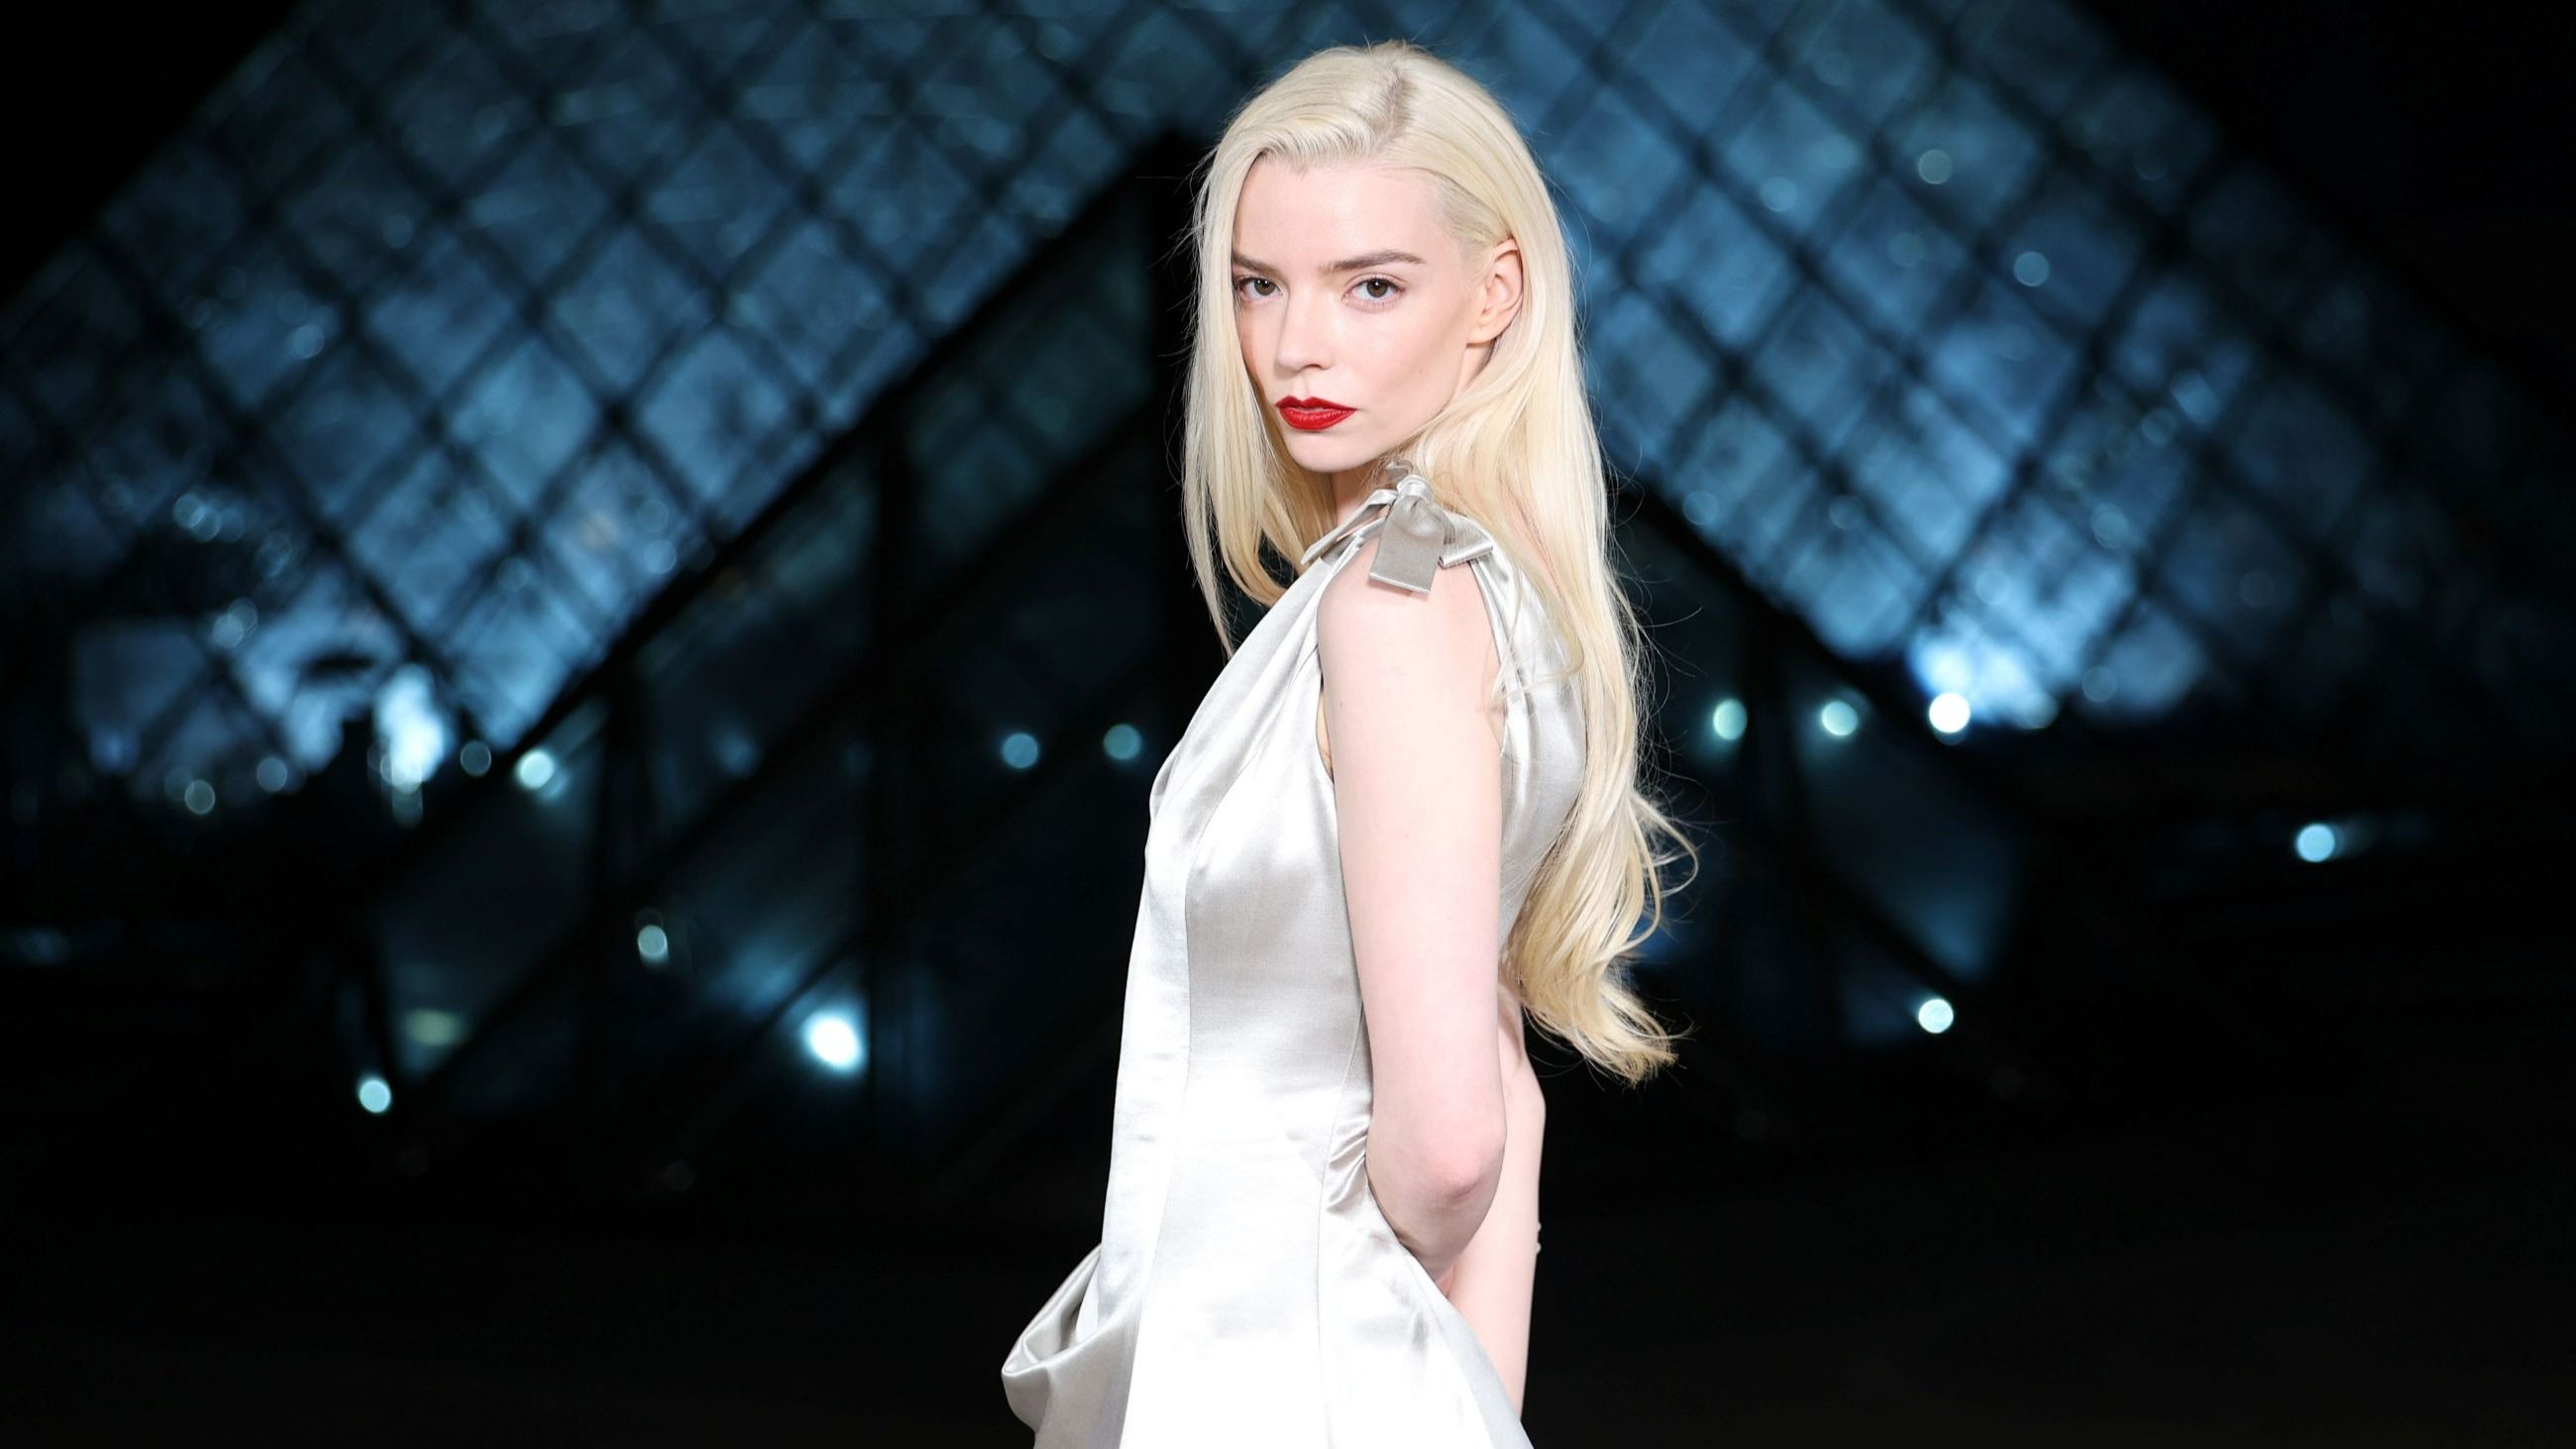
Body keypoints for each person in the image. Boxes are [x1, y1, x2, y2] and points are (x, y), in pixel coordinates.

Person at [1003, 38, 1696, 1446]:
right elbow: (1498, 1073)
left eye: (1372, 284)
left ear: (1493, 294)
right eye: (1259, 285)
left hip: (1273, 1354)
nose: (1296, 345)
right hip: (1361, 1363)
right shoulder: (1486, 585)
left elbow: (1450, 1141)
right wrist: (1462, 1392)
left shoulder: (1394, 605)